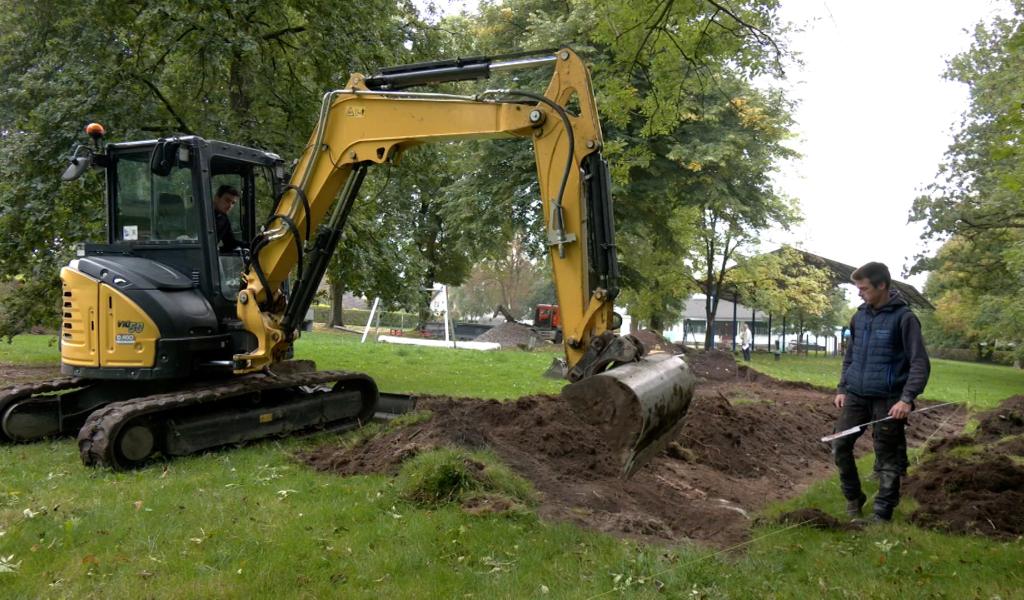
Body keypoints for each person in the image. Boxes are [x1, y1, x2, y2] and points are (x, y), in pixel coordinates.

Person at [833, 262, 930, 523]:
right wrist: (843, 387)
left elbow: (919, 362)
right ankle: (854, 497)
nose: (859, 293)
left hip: (889, 399)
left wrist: (906, 399)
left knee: (887, 455)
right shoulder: (859, 317)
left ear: (882, 285)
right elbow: (850, 355)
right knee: (840, 444)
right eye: (858, 288)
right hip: (856, 396)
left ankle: (882, 514)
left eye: (863, 288)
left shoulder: (904, 318)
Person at [213, 185, 243, 252]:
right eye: (227, 200)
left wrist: (253, 244)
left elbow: (230, 243)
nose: (230, 206)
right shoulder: (201, 214)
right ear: (216, 198)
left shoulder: (223, 219)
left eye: (233, 203)